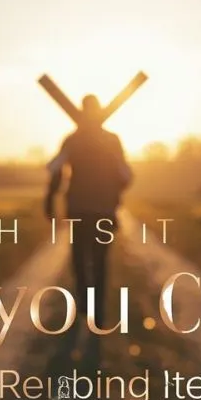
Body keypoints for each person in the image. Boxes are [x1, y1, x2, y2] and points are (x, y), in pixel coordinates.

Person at [43, 94, 133, 328]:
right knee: (99, 259)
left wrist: (50, 200)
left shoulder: (73, 140)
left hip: (80, 209)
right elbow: (125, 176)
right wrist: (114, 192)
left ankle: (87, 302)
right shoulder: (110, 140)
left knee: (80, 257)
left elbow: (55, 171)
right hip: (101, 210)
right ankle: (97, 309)